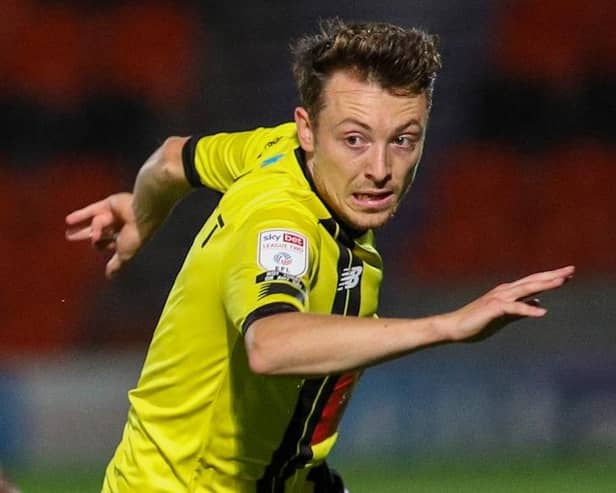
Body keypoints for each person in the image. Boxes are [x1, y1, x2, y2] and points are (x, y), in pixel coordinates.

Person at [65, 18, 574, 493]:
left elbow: (174, 157)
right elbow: (272, 344)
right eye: (354, 139)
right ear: (308, 129)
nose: (380, 168)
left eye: (403, 140)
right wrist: (446, 326)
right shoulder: (281, 225)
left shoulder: (273, 149)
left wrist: (140, 211)